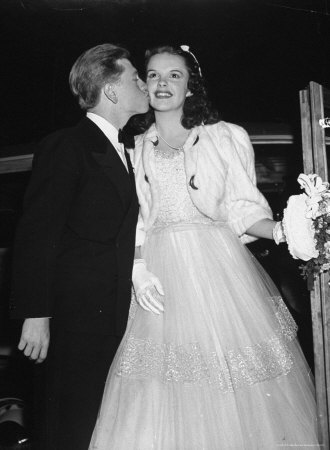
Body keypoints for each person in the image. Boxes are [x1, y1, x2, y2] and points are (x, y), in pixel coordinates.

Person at [89, 45, 320, 449]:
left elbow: (242, 209)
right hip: (159, 273)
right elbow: (137, 222)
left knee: (231, 385)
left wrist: (288, 231)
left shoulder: (224, 136)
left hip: (217, 269)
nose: (162, 84)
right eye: (154, 75)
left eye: (174, 75)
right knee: (158, 383)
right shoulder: (136, 147)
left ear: (191, 86)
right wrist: (138, 268)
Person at [10, 43, 149, 450]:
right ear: (110, 90)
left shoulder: (126, 148)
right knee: (70, 427)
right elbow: (38, 232)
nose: (144, 84)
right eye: (135, 78)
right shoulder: (67, 145)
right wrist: (36, 313)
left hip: (115, 314)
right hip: (76, 320)